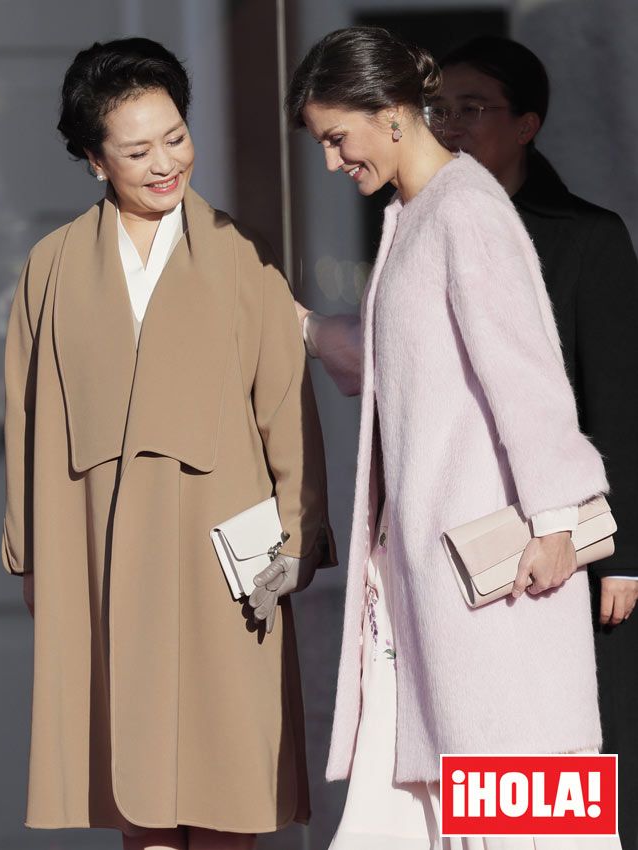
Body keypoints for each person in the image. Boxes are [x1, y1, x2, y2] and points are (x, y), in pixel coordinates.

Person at [286, 26, 621, 848]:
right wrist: (295, 326)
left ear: (389, 114)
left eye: (337, 138)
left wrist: (556, 523)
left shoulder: (465, 210)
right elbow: (420, 365)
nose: (333, 162)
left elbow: (529, 378)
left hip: (497, 590)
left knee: (514, 821)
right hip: (437, 596)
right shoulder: (423, 212)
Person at [2, 37, 336, 850]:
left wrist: (294, 540)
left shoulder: (240, 252)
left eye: (176, 137)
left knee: (230, 796)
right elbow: (29, 419)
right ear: (92, 159)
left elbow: (287, 408)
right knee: (140, 802)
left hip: (230, 563)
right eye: (138, 149)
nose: (165, 163)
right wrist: (34, 556)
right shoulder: (50, 268)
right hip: (105, 562)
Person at [432, 37, 638, 850]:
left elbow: (620, 400)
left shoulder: (587, 237)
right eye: (438, 109)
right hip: (465, 535)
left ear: (527, 124)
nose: (450, 125)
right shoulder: (420, 227)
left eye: (473, 108)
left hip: (572, 545)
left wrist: (623, 551)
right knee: (487, 753)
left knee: (578, 751)